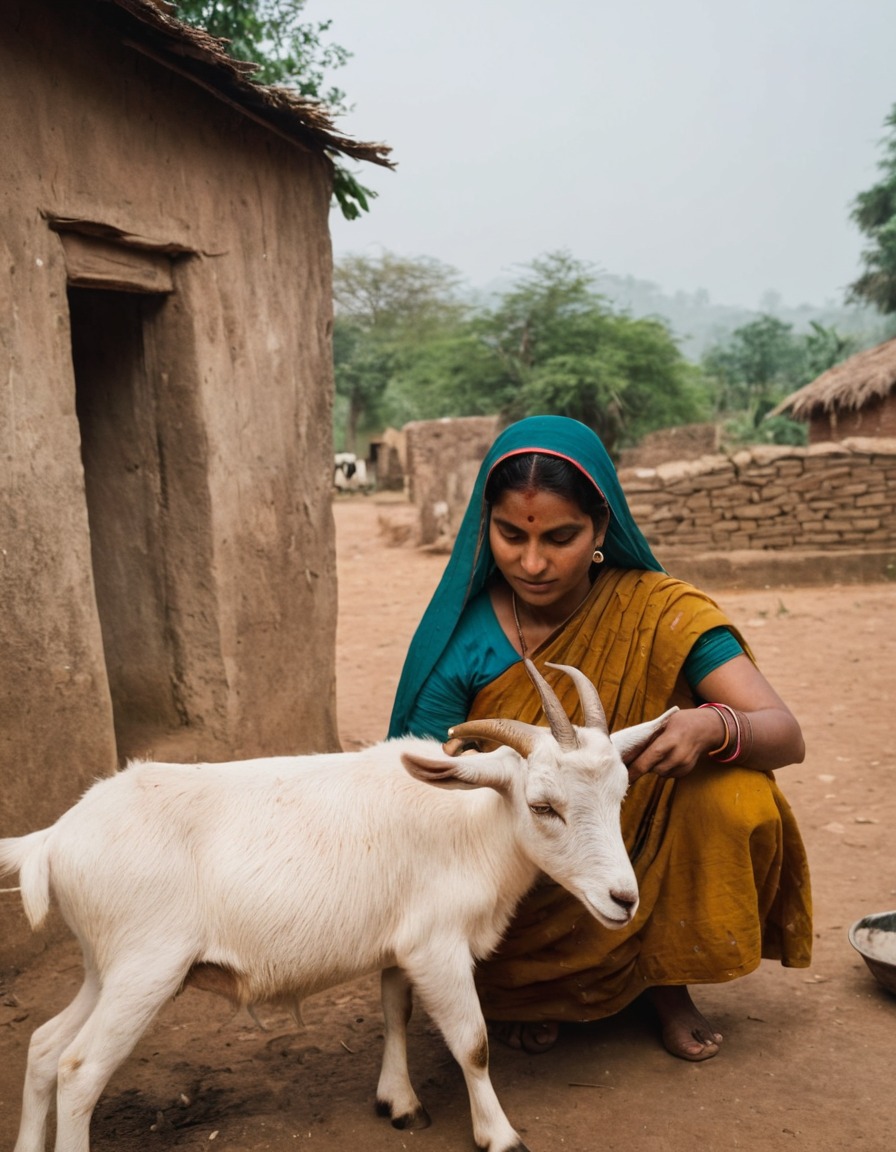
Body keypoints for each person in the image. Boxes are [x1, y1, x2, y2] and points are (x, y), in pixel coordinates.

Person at [388, 415, 812, 1062]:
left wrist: (710, 725)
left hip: (633, 853)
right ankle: (525, 985)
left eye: (560, 537)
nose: (532, 563)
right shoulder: (463, 637)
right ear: (485, 527)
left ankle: (663, 978)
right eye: (509, 535)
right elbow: (415, 786)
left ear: (601, 530)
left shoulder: (656, 611)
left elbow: (783, 735)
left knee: (737, 795)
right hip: (529, 868)